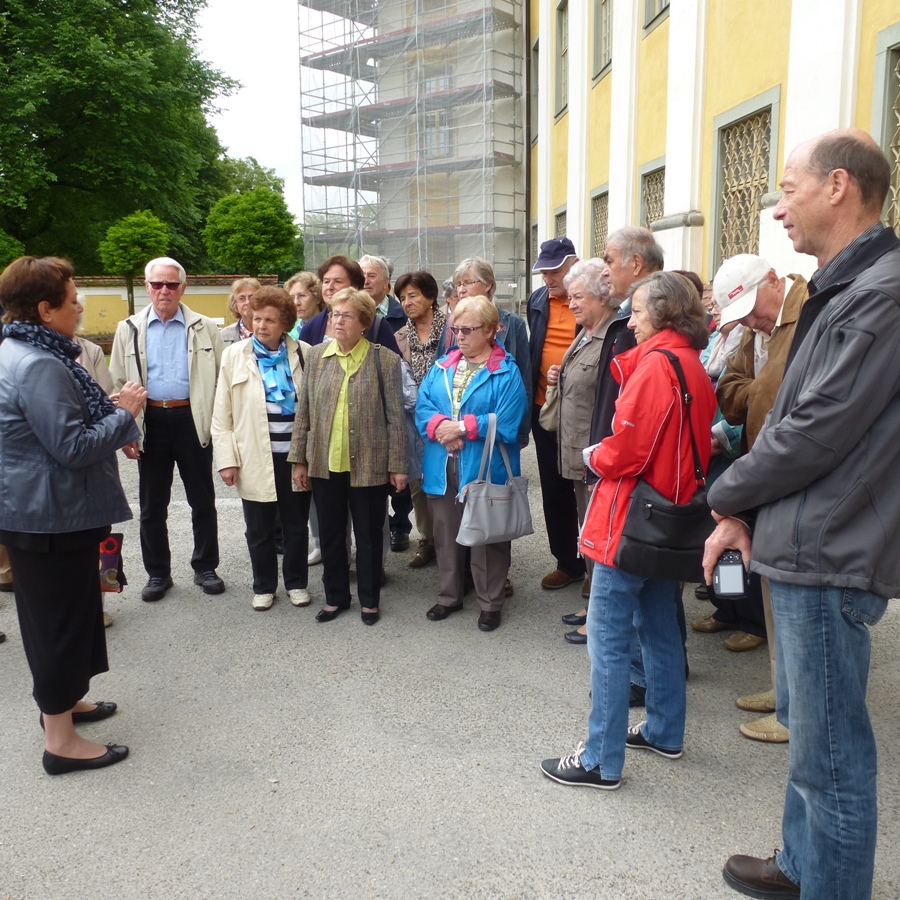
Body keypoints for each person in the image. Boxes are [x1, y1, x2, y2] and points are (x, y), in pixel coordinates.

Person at [704, 129, 897, 900]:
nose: (779, 208)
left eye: (788, 190)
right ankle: (801, 864)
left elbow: (816, 429)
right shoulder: (846, 286)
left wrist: (727, 495)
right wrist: (747, 507)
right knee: (815, 748)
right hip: (808, 537)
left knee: (832, 759)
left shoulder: (878, 293)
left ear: (838, 186)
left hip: (828, 548)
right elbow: (786, 414)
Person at [541, 271, 715, 791]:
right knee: (659, 626)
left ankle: (600, 759)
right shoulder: (689, 361)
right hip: (667, 517)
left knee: (609, 639)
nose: (630, 321)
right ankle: (664, 729)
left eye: (636, 312)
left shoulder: (656, 365)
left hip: (631, 519)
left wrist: (595, 454)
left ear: (662, 313)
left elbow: (629, 450)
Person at [0, 256, 148, 774]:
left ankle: (65, 706)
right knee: (57, 624)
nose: (79, 306)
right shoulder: (38, 363)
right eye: (72, 299)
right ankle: (60, 743)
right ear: (45, 310)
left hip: (44, 512)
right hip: (50, 516)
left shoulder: (21, 348)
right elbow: (72, 447)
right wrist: (125, 415)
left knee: (68, 615)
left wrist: (105, 410)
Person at [703, 255, 810, 745]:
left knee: (793, 598)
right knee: (769, 587)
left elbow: (785, 397)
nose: (749, 321)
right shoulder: (755, 327)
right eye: (740, 315)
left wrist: (758, 394)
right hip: (764, 467)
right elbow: (730, 392)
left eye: (751, 309)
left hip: (792, 476)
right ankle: (783, 690)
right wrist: (759, 396)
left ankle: (794, 708)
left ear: (772, 280)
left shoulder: (808, 311)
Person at [288, 287, 407, 626]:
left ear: (364, 323)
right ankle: (335, 597)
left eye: (347, 316)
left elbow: (395, 417)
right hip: (325, 463)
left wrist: (398, 466)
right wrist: (299, 460)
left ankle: (369, 600)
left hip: (369, 464)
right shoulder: (316, 357)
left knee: (368, 536)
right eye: (334, 314)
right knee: (331, 534)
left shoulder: (385, 359)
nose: (338, 321)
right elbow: (304, 411)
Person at [109, 257, 225, 602]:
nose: (164, 290)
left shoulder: (205, 327)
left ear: (182, 288)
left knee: (202, 501)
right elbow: (118, 383)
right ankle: (158, 573)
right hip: (151, 421)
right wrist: (126, 429)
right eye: (157, 284)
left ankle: (205, 567)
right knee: (152, 506)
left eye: (171, 284)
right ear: (147, 287)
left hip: (192, 418)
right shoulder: (128, 329)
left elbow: (221, 379)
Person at [416, 295, 527, 632]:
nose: (459, 336)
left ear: (491, 330)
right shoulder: (442, 365)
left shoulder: (506, 371)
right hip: (442, 464)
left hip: (485, 467)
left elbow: (508, 422)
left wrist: (462, 428)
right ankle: (449, 595)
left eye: (468, 329)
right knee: (445, 534)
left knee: (488, 537)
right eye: (456, 329)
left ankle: (490, 603)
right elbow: (422, 406)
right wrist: (441, 428)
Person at [543, 259, 635, 644]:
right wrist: (558, 376)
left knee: (598, 534)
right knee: (588, 530)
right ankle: (596, 604)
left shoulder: (615, 335)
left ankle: (600, 618)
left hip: (595, 455)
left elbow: (614, 400)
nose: (572, 304)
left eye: (578, 297)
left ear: (601, 297)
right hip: (578, 450)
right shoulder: (587, 332)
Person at [212, 286, 312, 611]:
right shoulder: (234, 356)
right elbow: (222, 415)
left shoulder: (305, 354)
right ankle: (264, 586)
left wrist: (307, 457)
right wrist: (227, 460)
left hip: (295, 457)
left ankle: (296, 583)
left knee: (296, 525)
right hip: (253, 456)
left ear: (285, 323)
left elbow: (313, 411)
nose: (261, 325)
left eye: (270, 320)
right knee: (259, 527)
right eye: (257, 318)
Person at [527, 238, 584, 592]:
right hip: (543, 406)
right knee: (553, 487)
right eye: (543, 272)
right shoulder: (537, 300)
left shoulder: (591, 298)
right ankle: (567, 562)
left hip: (580, 410)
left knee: (584, 487)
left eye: (555, 271)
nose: (548, 278)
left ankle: (594, 563)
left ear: (574, 265)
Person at [394, 270, 449, 569]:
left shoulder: (451, 328)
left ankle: (451, 541)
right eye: (402, 298)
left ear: (430, 296)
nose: (407, 302)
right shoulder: (400, 336)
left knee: (449, 478)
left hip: (448, 415)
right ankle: (427, 539)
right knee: (418, 482)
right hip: (415, 418)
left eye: (413, 295)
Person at [299, 255, 401, 354]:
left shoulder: (377, 326)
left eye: (338, 281)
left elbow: (393, 363)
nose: (329, 287)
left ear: (355, 286)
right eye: (326, 281)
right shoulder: (310, 328)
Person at [359, 254, 405, 333]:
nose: (365, 281)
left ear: (385, 282)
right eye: (362, 276)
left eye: (372, 276)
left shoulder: (403, 316)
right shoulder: (345, 313)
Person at [284, 271, 324, 341]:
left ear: (318, 298)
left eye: (302, 296)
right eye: (292, 297)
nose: (296, 302)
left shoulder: (328, 328)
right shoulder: (289, 329)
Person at [220, 277, 260, 345]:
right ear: (235, 304)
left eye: (252, 297)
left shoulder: (273, 333)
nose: (247, 302)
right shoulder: (223, 336)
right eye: (241, 298)